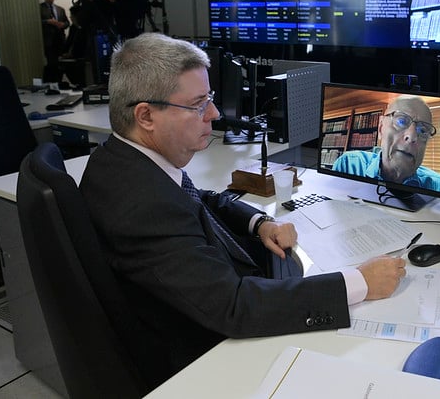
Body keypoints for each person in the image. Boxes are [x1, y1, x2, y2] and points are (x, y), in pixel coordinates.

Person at [79, 33, 406, 377]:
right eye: (198, 104)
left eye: (211, 98)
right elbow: (235, 307)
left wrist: (260, 223)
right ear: (145, 116)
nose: (215, 113)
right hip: (204, 358)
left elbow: (199, 199)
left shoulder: (124, 162)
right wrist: (357, 282)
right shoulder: (140, 204)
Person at [331, 94, 440, 194]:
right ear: (380, 128)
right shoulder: (348, 166)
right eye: (401, 121)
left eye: (422, 130)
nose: (411, 137)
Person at [39, 0, 70, 82]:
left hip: (60, 40)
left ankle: (60, 81)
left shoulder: (60, 9)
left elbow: (67, 22)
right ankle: (52, 82)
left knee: (61, 64)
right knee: (51, 63)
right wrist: (48, 22)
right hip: (48, 41)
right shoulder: (40, 8)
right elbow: (37, 22)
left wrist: (62, 25)